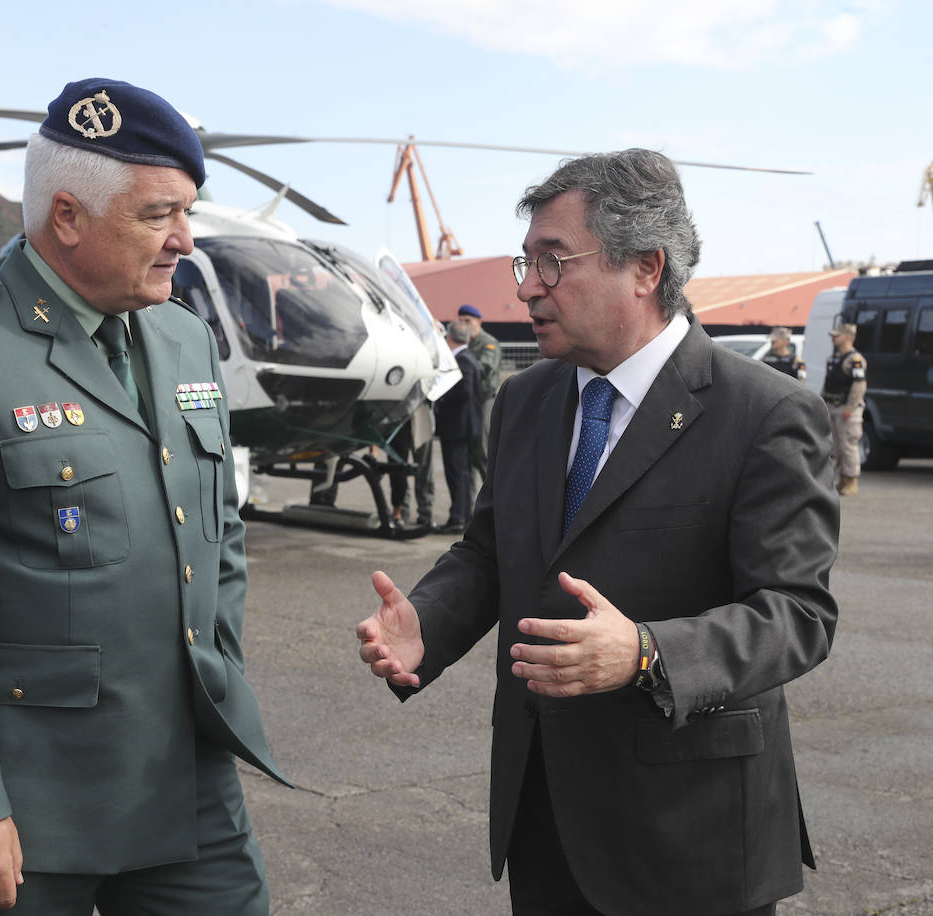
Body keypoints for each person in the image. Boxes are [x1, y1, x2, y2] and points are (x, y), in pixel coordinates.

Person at [355, 149, 839, 916]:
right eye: (526, 262)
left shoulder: (765, 413)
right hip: (544, 812)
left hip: (690, 833)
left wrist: (648, 652)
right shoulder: (526, 400)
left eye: (552, 263)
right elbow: (489, 549)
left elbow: (797, 615)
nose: (526, 288)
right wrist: (427, 625)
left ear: (645, 268)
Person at [0, 77, 287, 915]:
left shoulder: (183, 337)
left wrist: (216, 673)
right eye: (158, 214)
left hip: (186, 781)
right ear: (67, 217)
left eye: (187, 212)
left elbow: (219, 532)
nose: (185, 241)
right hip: (25, 805)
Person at [434, 320, 482, 534]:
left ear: (449, 338)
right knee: (460, 473)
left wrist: (440, 395)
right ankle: (461, 516)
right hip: (462, 427)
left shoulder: (462, 360)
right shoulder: (467, 358)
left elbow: (464, 392)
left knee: (457, 473)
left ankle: (458, 518)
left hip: (457, 427)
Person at [457, 303, 502, 491]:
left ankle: (494, 497)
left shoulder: (487, 342)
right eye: (461, 321)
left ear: (478, 322)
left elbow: (486, 367)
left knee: (482, 451)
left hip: (484, 401)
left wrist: (462, 361)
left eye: (467, 321)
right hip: (467, 402)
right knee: (467, 456)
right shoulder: (463, 344)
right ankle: (469, 511)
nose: (464, 325)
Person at [821, 322, 866, 495]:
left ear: (847, 337)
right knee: (836, 446)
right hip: (832, 405)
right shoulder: (834, 359)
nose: (833, 338)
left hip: (847, 409)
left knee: (848, 444)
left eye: (836, 335)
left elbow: (859, 385)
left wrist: (851, 406)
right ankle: (842, 479)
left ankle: (852, 480)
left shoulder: (855, 360)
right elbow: (827, 384)